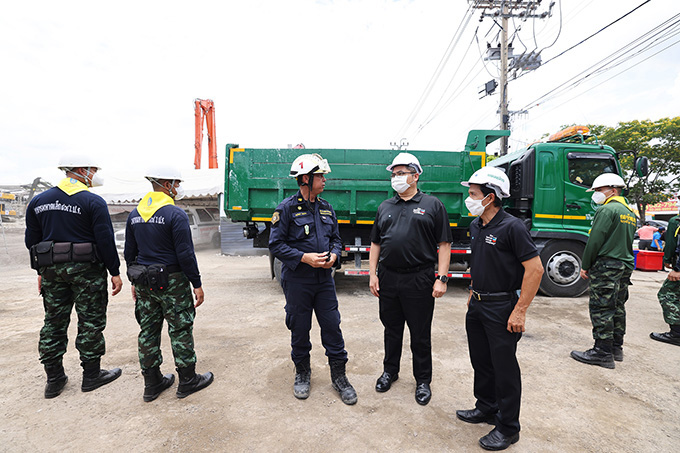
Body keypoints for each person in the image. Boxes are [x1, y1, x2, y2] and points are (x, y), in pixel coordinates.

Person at [455, 167, 543, 451]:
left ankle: (508, 428)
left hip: (502, 307)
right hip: (477, 304)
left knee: (504, 369)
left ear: (490, 197)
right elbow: (482, 263)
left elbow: (535, 269)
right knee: (481, 361)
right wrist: (472, 291)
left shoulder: (512, 227)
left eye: (473, 194)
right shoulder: (476, 225)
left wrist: (520, 310)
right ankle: (486, 407)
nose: (468, 199)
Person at [25, 155, 123, 399]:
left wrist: (40, 272)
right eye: (93, 170)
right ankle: (92, 376)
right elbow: (105, 240)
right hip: (86, 272)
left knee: (53, 322)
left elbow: (31, 241)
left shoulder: (39, 201)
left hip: (51, 272)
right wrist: (114, 271)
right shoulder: (93, 201)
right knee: (90, 321)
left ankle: (54, 379)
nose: (94, 175)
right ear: (81, 170)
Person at [269, 153, 357, 405]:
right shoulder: (286, 209)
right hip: (298, 281)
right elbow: (276, 244)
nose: (325, 180)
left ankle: (339, 377)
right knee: (299, 328)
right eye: (320, 176)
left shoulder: (327, 207)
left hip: (324, 281)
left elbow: (337, 240)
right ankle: (302, 374)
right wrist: (303, 257)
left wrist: (335, 255)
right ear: (305, 179)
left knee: (332, 327)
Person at [124, 166, 213, 401]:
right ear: (167, 185)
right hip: (172, 281)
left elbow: (130, 252)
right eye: (177, 183)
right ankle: (188, 380)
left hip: (144, 281)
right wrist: (196, 283)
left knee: (148, 330)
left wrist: (133, 281)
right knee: (180, 329)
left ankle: (152, 383)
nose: (178, 188)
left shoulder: (135, 214)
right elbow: (185, 254)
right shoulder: (175, 214)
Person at [368, 152, 452, 406]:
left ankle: (423, 380)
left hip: (419, 278)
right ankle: (390, 371)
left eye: (401, 173)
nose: (396, 177)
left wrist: (442, 278)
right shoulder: (385, 206)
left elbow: (444, 244)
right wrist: (372, 274)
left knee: (420, 333)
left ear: (415, 176)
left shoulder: (433, 205)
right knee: (391, 329)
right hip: (389, 277)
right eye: (394, 174)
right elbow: (375, 243)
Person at [571, 173, 636, 369]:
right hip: (624, 265)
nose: (596, 194)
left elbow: (595, 240)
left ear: (613, 190)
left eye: (599, 190)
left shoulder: (607, 210)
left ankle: (602, 352)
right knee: (617, 306)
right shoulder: (629, 213)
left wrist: (586, 264)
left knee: (602, 308)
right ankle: (616, 348)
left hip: (607, 266)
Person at [650, 212, 680, 346]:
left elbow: (671, 242)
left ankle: (676, 334)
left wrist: (677, 268)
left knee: (667, 294)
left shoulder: (675, 220)